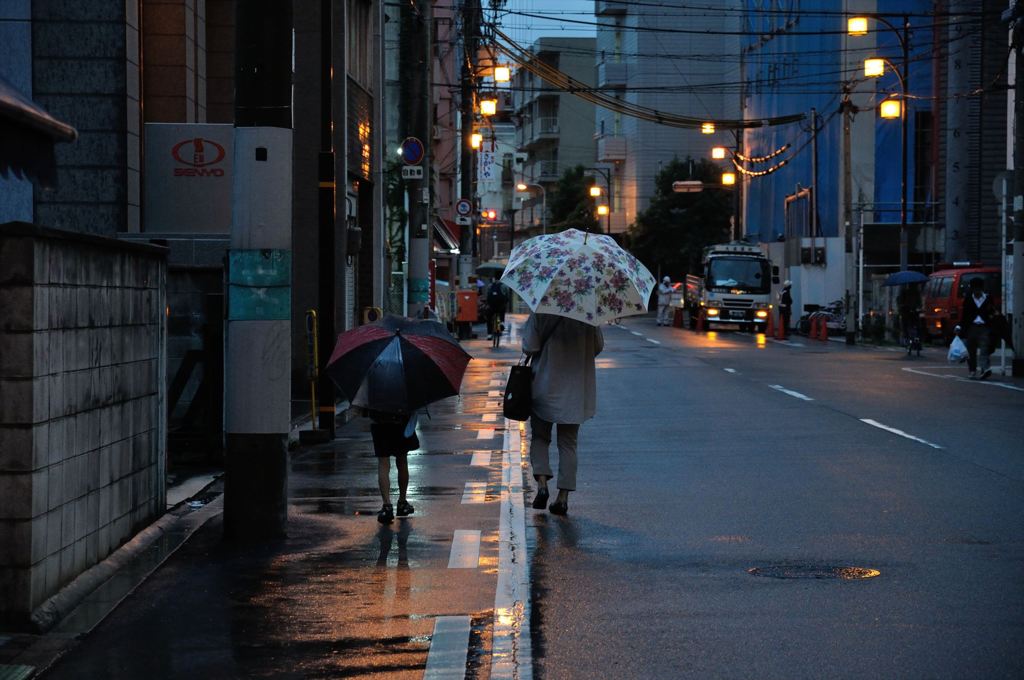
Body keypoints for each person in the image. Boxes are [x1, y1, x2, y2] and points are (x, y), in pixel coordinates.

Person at [521, 312, 604, 516]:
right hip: (575, 389)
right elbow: (597, 347)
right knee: (568, 443)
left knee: (540, 438)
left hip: (544, 385)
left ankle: (541, 485)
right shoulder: (588, 314)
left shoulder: (540, 313)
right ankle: (563, 499)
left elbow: (529, 347)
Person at [367, 409, 419, 523]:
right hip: (400, 422)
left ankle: (387, 506)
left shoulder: (373, 389)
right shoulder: (404, 390)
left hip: (379, 423)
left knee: (383, 464)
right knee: (402, 461)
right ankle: (402, 503)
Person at [956, 277, 996, 380]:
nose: (976, 291)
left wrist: (992, 321)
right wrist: (959, 325)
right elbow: (965, 315)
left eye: (978, 289)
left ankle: (985, 368)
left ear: (982, 289)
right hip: (971, 327)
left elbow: (993, 312)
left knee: (984, 348)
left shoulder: (988, 298)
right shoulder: (969, 299)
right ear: (972, 289)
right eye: (975, 289)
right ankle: (972, 370)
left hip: (984, 327)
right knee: (970, 350)